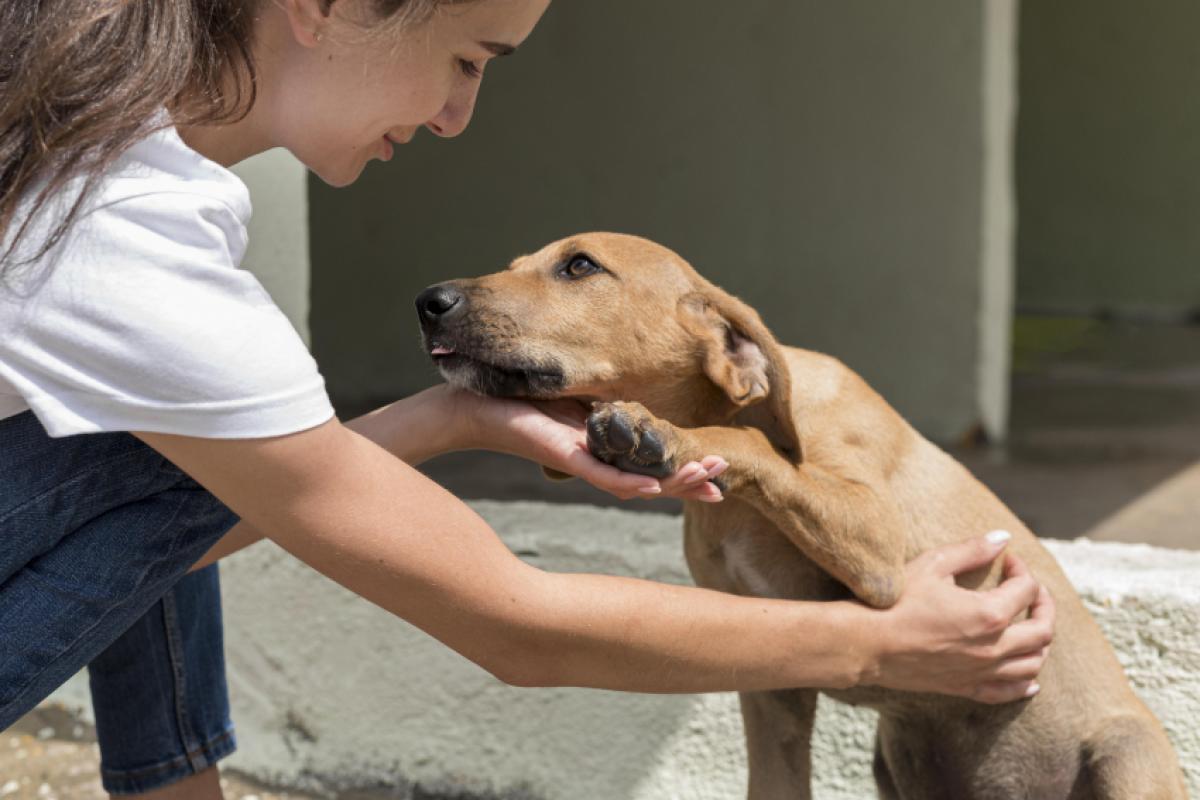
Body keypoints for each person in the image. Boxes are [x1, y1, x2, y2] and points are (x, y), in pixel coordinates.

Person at [0, 0, 1055, 797]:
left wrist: (460, 417)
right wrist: (885, 645)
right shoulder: (127, 236)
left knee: (198, 439)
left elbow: (239, 494)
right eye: (465, 60)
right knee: (192, 436)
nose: (459, 117)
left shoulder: (93, 135)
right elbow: (518, 625)